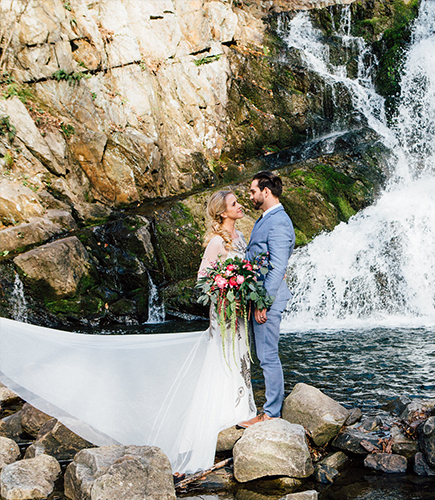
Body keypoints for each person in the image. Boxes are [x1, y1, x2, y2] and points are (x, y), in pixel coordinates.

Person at [0, 190, 256, 474]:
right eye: (234, 203)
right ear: (222, 212)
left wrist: (244, 282)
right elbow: (202, 279)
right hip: (222, 310)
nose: (240, 205)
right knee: (222, 353)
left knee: (239, 351)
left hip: (239, 309)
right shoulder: (217, 242)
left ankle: (240, 407)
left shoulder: (241, 238)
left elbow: (245, 270)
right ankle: (223, 412)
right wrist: (226, 285)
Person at [238, 171, 295, 428]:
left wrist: (262, 302)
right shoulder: (264, 219)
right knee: (262, 355)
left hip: (266, 300)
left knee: (268, 356)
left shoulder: (280, 222)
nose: (249, 196)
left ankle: (271, 413)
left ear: (266, 191)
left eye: (252, 191)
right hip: (257, 298)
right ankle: (267, 410)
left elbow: (278, 266)